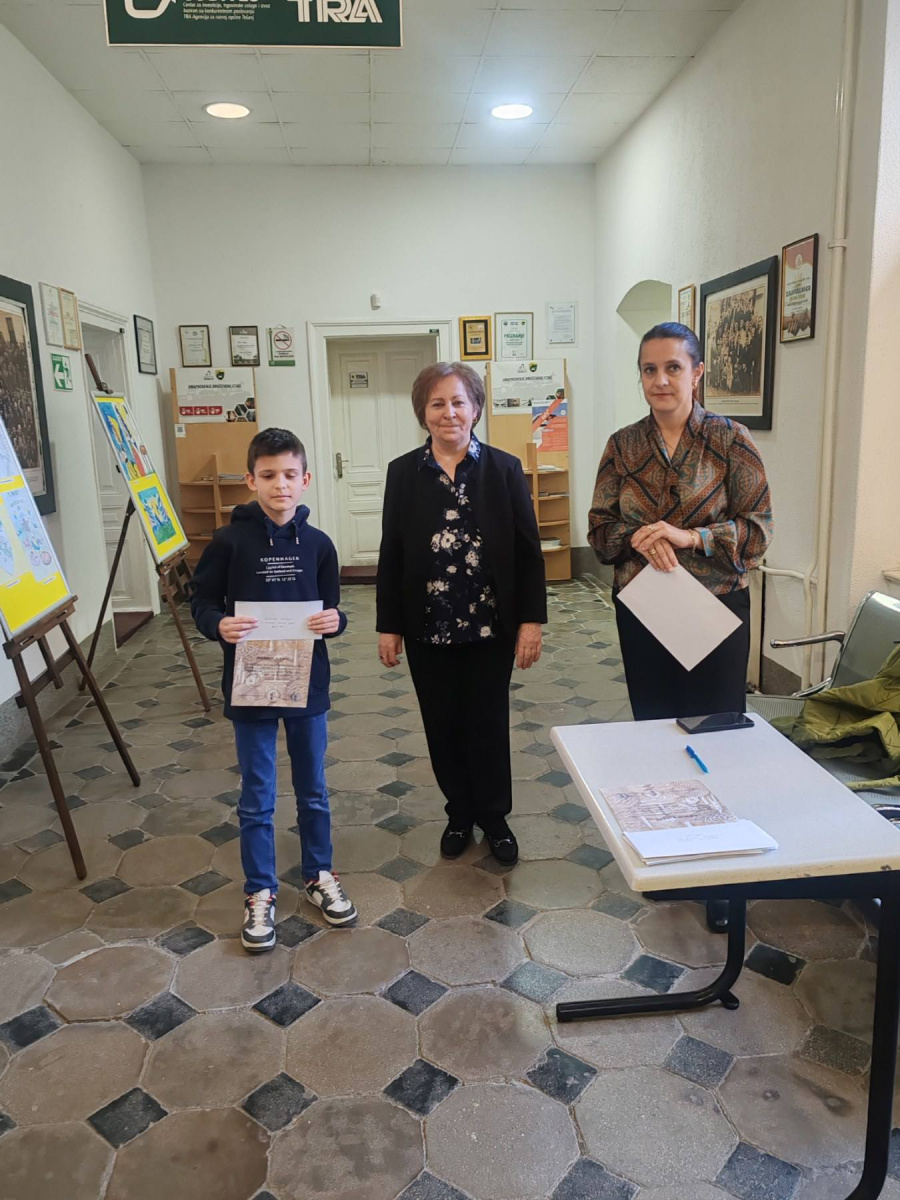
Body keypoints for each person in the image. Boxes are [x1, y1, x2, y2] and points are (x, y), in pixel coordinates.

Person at [588, 322, 774, 931]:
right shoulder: (622, 445)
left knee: (715, 735)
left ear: (697, 373)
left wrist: (690, 536)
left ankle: (721, 875)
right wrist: (638, 537)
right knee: (656, 731)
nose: (660, 380)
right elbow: (600, 531)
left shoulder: (730, 440)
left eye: (673, 367)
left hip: (715, 609)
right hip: (644, 607)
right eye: (649, 369)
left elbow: (759, 530)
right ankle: (669, 856)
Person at [191, 426, 357, 952]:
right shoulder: (228, 542)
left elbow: (332, 609)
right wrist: (218, 625)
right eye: (268, 475)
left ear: (306, 479)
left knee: (313, 790)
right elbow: (202, 602)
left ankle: (318, 875)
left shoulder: (320, 545)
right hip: (251, 686)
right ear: (251, 480)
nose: (279, 485)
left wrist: (336, 622)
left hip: (307, 683)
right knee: (257, 795)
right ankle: (259, 891)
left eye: (289, 475)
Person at [376, 362, 547, 866]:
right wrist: (389, 625)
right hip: (427, 624)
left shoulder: (504, 469)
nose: (448, 412)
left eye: (458, 402)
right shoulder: (403, 473)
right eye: (437, 403)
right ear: (423, 413)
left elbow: (528, 551)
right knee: (442, 724)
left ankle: (494, 818)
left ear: (475, 409)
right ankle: (459, 814)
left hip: (490, 624)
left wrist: (531, 621)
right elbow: (392, 552)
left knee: (487, 723)